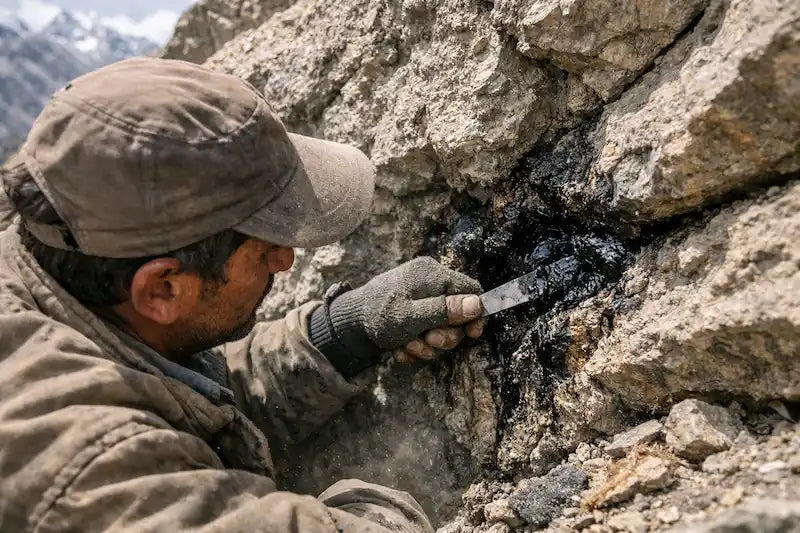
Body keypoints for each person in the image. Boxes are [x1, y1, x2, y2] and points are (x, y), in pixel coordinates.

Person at [0, 57, 485, 532]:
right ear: (162, 288)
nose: (285, 261)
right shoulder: (89, 477)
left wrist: (340, 331)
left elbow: (165, 380)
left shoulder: (49, 245)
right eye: (264, 249)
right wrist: (371, 509)